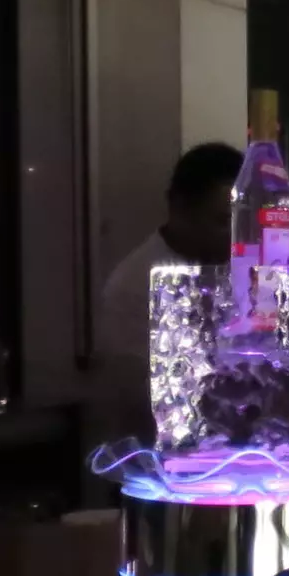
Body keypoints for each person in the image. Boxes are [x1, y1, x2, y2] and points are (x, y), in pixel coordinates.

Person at [94, 143, 244, 424]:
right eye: (223, 222)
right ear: (179, 207)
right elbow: (139, 398)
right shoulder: (134, 285)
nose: (235, 239)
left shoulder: (236, 273)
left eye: (242, 223)